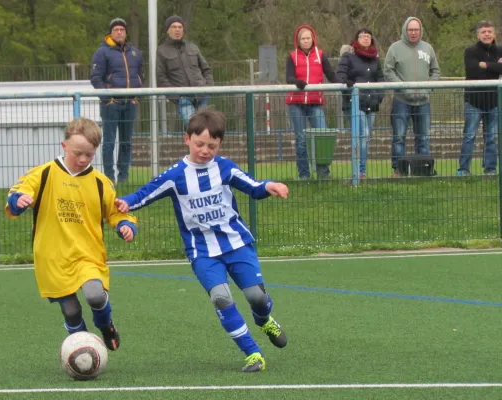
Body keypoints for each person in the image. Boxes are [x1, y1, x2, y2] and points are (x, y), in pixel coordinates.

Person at [114, 109, 289, 373]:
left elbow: (252, 185)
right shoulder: (176, 175)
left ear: (219, 145)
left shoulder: (225, 168)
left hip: (236, 243)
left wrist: (269, 186)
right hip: (202, 251)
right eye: (200, 144)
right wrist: (126, 202)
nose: (205, 150)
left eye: (212, 146)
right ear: (187, 139)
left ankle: (264, 319)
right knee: (221, 298)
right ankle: (253, 353)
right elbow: (147, 192)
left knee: (256, 297)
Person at [5, 117, 137, 351]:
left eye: (90, 154)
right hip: (52, 257)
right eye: (78, 153)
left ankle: (106, 325)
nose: (83, 159)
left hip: (87, 254)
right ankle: (84, 349)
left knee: (95, 295)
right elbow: (18, 192)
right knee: (71, 310)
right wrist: (19, 200)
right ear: (64, 146)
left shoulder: (101, 183)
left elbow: (116, 212)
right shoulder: (43, 174)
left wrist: (125, 224)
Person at [384, 17, 440, 176]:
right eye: (410, 30)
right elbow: (388, 71)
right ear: (405, 30)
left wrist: (428, 88)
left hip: (423, 102)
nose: (413, 33)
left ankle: (422, 170)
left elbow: (435, 71)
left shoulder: (428, 48)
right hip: (401, 101)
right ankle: (398, 170)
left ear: (420, 30)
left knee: (423, 137)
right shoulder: (395, 48)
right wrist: (402, 88)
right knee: (399, 137)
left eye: (416, 30)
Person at [90, 18, 144, 184]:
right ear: (110, 33)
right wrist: (107, 98)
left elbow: (141, 76)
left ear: (125, 32)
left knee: (126, 142)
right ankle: (108, 178)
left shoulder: (135, 52)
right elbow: (95, 78)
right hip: (111, 105)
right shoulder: (102, 52)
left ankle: (123, 178)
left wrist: (137, 97)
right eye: (116, 30)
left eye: (122, 29)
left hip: (130, 104)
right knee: (109, 142)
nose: (119, 32)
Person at [286, 24, 340, 180]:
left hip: (315, 103)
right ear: (298, 40)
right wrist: (297, 82)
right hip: (296, 104)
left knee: (322, 136)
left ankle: (323, 174)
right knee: (301, 140)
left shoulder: (321, 55)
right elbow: (288, 78)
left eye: (308, 38)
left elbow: (331, 75)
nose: (305, 41)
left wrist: (344, 82)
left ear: (313, 39)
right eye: (302, 38)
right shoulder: (292, 56)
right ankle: (304, 176)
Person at [336, 28, 385, 179]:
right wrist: (348, 86)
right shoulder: (348, 56)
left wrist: (378, 97)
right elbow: (340, 76)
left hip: (372, 104)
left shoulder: (376, 60)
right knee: (362, 134)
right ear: (356, 39)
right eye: (362, 36)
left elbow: (381, 80)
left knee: (366, 137)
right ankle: (359, 172)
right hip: (354, 103)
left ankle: (361, 172)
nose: (366, 38)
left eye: (368, 36)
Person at [457, 20, 502, 176]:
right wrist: (494, 66)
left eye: (489, 31)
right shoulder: (470, 51)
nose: (487, 34)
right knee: (469, 136)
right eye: (483, 32)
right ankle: (463, 169)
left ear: (494, 33)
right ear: (478, 34)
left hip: (494, 101)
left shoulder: (500, 50)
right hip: (474, 101)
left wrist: (485, 65)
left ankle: (490, 169)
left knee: (491, 137)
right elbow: (473, 70)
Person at [157, 15, 214, 127]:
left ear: (183, 30)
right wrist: (176, 97)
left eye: (180, 27)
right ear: (168, 30)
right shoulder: (162, 51)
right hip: (183, 99)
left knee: (205, 129)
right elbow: (161, 77)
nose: (177, 29)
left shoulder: (193, 47)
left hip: (202, 95)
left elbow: (206, 69)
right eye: (173, 27)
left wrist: (209, 88)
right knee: (193, 127)